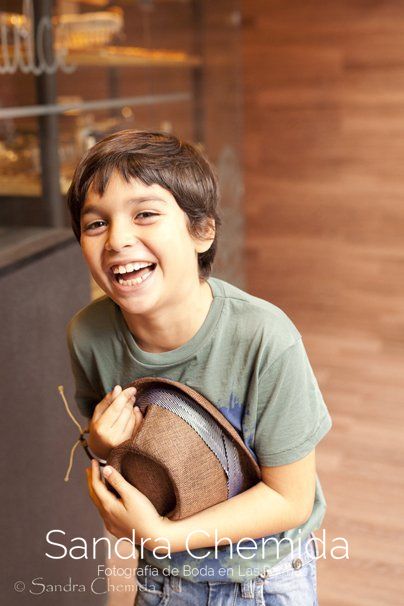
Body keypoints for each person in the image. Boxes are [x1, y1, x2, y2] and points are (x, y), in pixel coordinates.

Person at [66, 129, 332, 605]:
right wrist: (101, 445)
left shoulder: (265, 338)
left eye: (145, 214)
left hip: (264, 578)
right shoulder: (89, 336)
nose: (118, 239)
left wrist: (164, 536)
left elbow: (290, 499)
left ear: (201, 231)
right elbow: (112, 464)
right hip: (163, 579)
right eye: (95, 224)